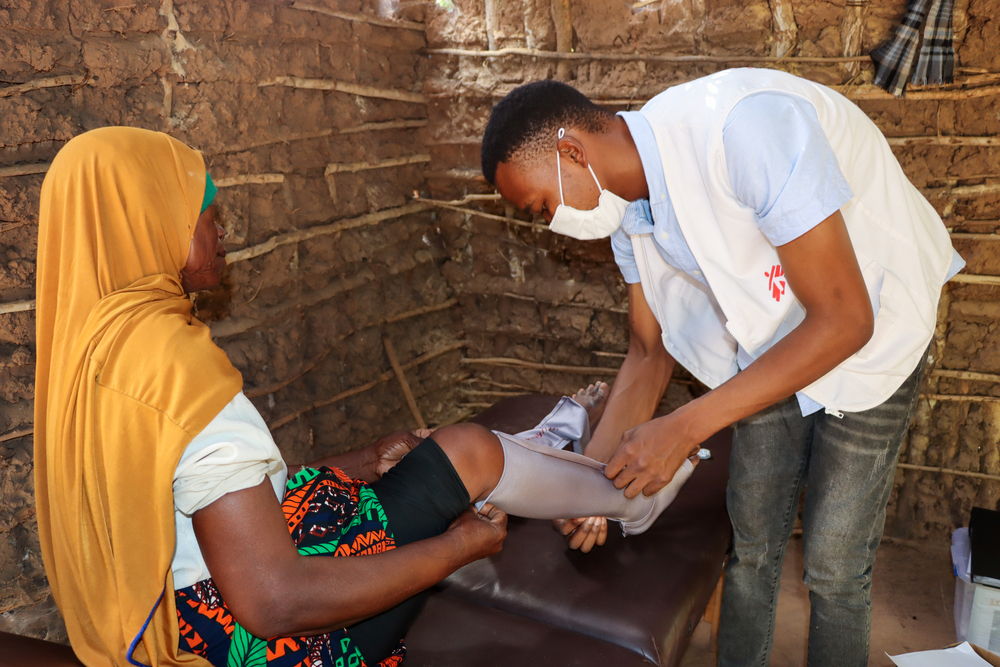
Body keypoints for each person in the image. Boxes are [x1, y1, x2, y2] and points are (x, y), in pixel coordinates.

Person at [33, 127, 694, 667]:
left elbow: (189, 501)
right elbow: (273, 602)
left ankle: (600, 472)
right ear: (148, 219)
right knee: (465, 451)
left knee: (444, 449)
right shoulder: (174, 367)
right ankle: (627, 500)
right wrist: (455, 551)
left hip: (167, 617)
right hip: (248, 644)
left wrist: (354, 461)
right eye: (203, 211)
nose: (219, 227)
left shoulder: (88, 359)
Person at [480, 68, 964, 666]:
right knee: (754, 542)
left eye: (543, 205)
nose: (552, 221)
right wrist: (591, 482)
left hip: (872, 331)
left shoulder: (743, 130)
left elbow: (844, 320)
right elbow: (647, 353)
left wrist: (683, 426)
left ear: (571, 152)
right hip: (771, 344)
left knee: (836, 564)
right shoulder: (630, 213)